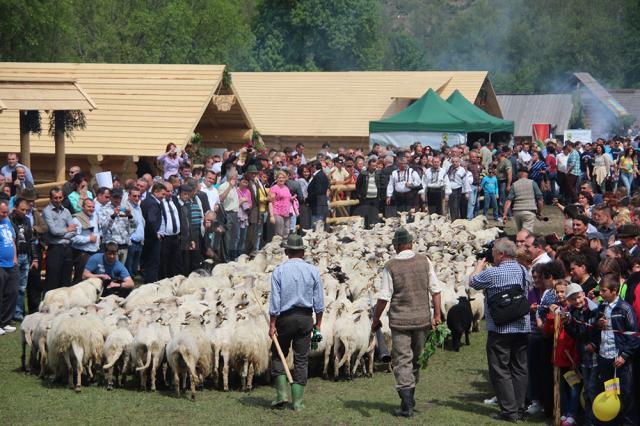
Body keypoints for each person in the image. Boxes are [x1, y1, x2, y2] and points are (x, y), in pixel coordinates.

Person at [370, 227, 442, 417]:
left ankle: (407, 404)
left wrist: (376, 318)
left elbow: (384, 296)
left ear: (397, 245)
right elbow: (436, 290)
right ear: (410, 243)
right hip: (422, 320)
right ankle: (409, 398)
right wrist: (437, 316)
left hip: (400, 322)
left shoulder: (391, 266)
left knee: (402, 361)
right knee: (416, 359)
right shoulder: (424, 261)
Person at [470, 238, 530, 422]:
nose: (493, 255)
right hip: (521, 325)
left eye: (494, 251)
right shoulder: (523, 270)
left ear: (501, 254)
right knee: (519, 368)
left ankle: (509, 411)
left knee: (500, 369)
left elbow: (473, 282)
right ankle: (519, 409)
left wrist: (479, 265)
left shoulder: (492, 273)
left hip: (500, 328)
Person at [269, 234, 324, 411]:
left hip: (284, 319)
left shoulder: (279, 271)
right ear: (302, 252)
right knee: (301, 359)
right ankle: (298, 402)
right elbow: (319, 303)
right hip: (306, 318)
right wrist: (318, 325)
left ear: (286, 251)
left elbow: (275, 302)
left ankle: (281, 395)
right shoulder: (313, 271)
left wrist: (272, 325)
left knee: (279, 354)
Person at [591, 275, 638, 425]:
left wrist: (624, 356)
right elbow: (593, 327)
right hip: (605, 356)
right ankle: (612, 421)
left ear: (614, 291)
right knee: (608, 392)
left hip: (620, 359)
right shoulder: (601, 307)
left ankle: (628, 422)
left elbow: (634, 336)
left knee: (625, 393)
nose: (601, 293)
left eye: (604, 291)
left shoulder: (625, 308)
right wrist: (598, 323)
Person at [42, 188, 76, 291]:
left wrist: (63, 234)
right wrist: (67, 230)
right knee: (52, 280)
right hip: (55, 249)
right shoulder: (47, 211)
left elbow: (74, 230)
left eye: (60, 197)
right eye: (55, 198)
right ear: (51, 198)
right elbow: (53, 231)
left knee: (66, 280)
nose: (58, 200)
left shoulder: (66, 211)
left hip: (67, 249)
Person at [10, 198, 37, 321]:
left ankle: (18, 313)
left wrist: (35, 258)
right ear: (15, 207)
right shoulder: (8, 220)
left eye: (26, 210)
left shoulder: (27, 220)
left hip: (25, 256)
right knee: (10, 287)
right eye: (22, 210)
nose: (25, 212)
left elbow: (31, 240)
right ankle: (8, 313)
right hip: (13, 256)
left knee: (21, 287)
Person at [502, 167, 544, 233]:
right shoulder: (533, 183)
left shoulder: (514, 184)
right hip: (529, 211)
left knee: (520, 233)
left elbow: (508, 201)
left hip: (517, 212)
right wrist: (539, 212)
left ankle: (519, 242)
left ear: (518, 174)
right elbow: (540, 199)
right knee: (526, 234)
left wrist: (504, 214)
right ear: (527, 174)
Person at [70, 199, 100, 284]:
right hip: (83, 254)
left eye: (93, 207)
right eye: (89, 206)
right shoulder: (77, 219)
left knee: (92, 280)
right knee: (80, 280)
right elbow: (73, 238)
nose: (91, 208)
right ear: (83, 207)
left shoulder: (95, 216)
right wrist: (88, 239)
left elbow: (96, 232)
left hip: (94, 253)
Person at [141, 183, 166, 283]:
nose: (164, 197)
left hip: (147, 237)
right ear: (156, 192)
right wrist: (156, 233)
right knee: (153, 262)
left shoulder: (146, 201)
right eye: (162, 194)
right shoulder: (152, 203)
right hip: (152, 238)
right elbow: (151, 220)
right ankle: (150, 283)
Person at [0, 199, 18, 336]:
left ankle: (5, 322)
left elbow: (12, 240)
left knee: (12, 293)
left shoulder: (7, 221)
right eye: (3, 212)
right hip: (0, 265)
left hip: (11, 264)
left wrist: (15, 258)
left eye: (7, 212)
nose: (5, 214)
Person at [158, 182, 182, 278]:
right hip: (165, 238)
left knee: (176, 261)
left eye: (172, 191)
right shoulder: (159, 202)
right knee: (165, 261)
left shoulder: (175, 200)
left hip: (176, 236)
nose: (170, 193)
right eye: (168, 191)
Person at [218, 171, 240, 260]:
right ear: (231, 177)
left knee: (235, 237)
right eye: (236, 176)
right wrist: (229, 187)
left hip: (235, 214)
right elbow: (221, 199)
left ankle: (232, 256)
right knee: (227, 237)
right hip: (227, 214)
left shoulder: (235, 187)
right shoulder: (223, 186)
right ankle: (226, 258)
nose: (237, 178)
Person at [124, 188, 145, 277]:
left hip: (139, 241)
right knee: (129, 268)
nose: (137, 198)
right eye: (134, 196)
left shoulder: (138, 207)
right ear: (129, 196)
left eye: (138, 196)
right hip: (131, 241)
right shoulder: (126, 207)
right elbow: (127, 224)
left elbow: (141, 223)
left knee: (134, 268)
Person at [354, 159, 381, 228]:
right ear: (368, 166)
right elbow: (358, 185)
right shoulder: (363, 174)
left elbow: (380, 184)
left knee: (374, 213)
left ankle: (374, 227)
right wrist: (360, 195)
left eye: (375, 166)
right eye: (372, 166)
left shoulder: (378, 173)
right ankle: (366, 227)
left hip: (375, 197)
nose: (374, 167)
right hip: (366, 197)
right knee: (365, 213)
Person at [269, 171, 293, 240]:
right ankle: (278, 248)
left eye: (283, 178)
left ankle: (284, 248)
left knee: (287, 231)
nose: (281, 179)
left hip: (287, 213)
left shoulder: (286, 188)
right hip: (278, 212)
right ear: (276, 179)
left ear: (285, 179)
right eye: (279, 178)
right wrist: (271, 216)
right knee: (279, 232)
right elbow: (270, 202)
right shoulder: (274, 188)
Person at [307, 161, 330, 227]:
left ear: (314, 167)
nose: (310, 169)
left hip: (317, 201)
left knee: (316, 223)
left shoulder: (318, 176)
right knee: (320, 221)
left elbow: (318, 190)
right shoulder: (323, 175)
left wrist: (309, 198)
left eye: (311, 167)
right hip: (321, 200)